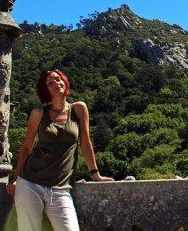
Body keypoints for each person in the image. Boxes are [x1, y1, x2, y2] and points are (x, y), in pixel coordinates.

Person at [6, 68, 113, 231]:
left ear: (65, 82)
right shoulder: (39, 113)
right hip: (29, 183)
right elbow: (27, 146)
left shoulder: (78, 109)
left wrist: (95, 174)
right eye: (50, 83)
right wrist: (15, 179)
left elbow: (85, 142)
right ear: (45, 90)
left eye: (58, 79)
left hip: (60, 188)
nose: (56, 83)